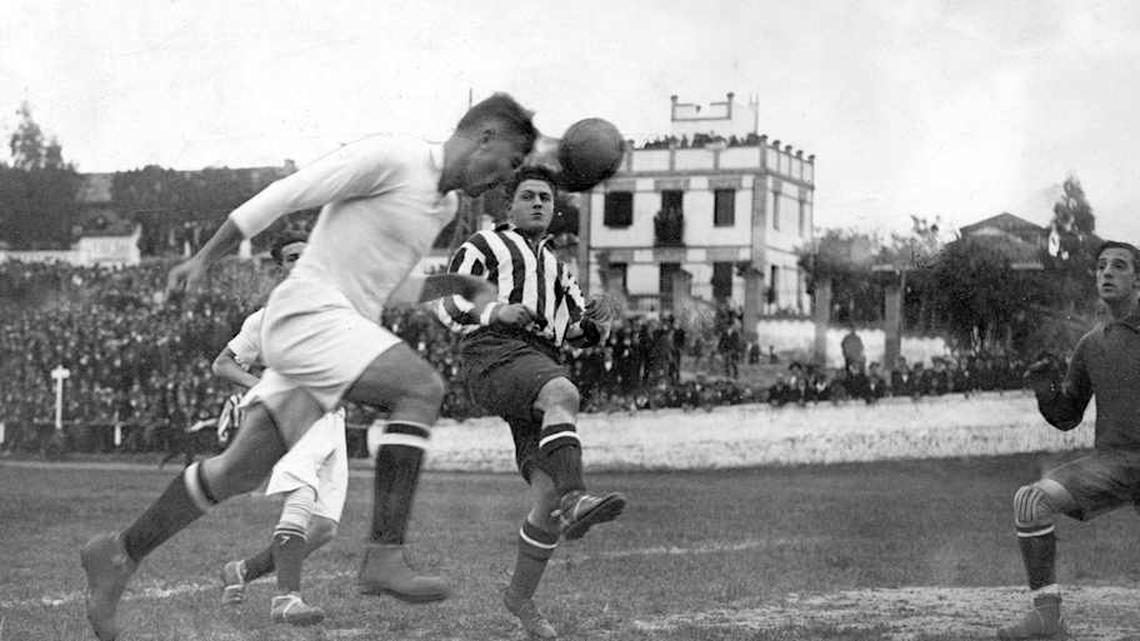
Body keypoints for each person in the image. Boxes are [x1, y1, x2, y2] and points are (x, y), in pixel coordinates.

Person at [80, 92, 539, 641]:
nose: (503, 179)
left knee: (237, 472)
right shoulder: (395, 157)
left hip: (333, 330)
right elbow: (287, 193)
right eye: (510, 162)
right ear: (485, 135)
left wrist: (460, 285)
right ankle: (384, 555)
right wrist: (204, 257)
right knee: (421, 389)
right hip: (307, 314)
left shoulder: (439, 209)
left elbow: (387, 286)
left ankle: (118, 554)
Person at [436, 165, 626, 639]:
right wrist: (496, 309)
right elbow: (448, 301)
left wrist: (598, 325)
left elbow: (575, 331)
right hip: (492, 353)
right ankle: (577, 498)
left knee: (543, 492)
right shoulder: (485, 246)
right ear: (510, 206)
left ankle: (520, 597)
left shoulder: (561, 270)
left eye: (545, 197)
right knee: (563, 393)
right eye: (528, 196)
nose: (539, 202)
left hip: (537, 358)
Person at [997, 240, 1140, 640]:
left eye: (1119, 266)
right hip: (1114, 463)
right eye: (1100, 266)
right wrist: (1045, 389)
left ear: (1138, 279)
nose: (1107, 272)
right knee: (1030, 501)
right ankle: (1048, 619)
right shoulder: (1091, 345)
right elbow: (1067, 416)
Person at [211, 233, 348, 625]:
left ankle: (242, 571)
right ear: (281, 268)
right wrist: (265, 387)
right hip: (290, 412)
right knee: (301, 492)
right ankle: (287, 598)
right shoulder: (266, 318)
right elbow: (222, 364)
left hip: (331, 419)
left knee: (322, 528)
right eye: (292, 258)